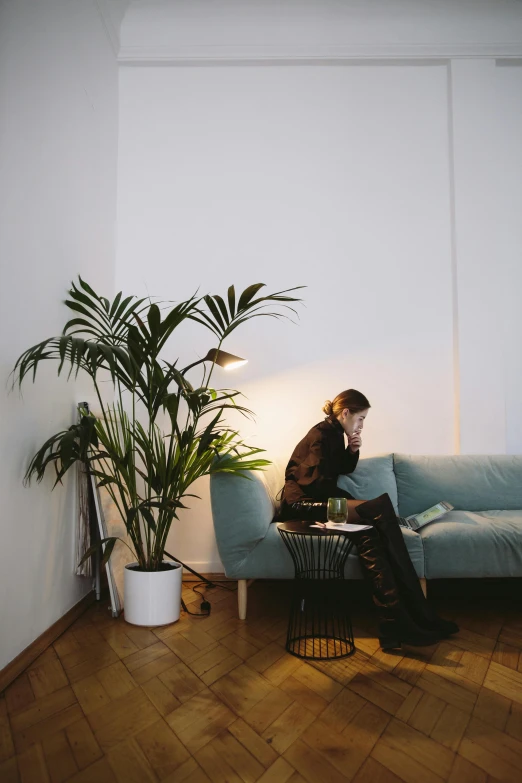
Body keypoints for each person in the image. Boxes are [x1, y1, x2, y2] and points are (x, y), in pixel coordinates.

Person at [279, 389, 458, 650]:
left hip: (318, 500)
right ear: (346, 413)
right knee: (379, 508)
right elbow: (314, 484)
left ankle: (398, 622)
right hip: (303, 506)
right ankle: (417, 615)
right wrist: (342, 508)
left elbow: (339, 470)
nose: (362, 425)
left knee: (369, 531)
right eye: (361, 418)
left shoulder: (334, 433)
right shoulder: (320, 434)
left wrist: (351, 450)